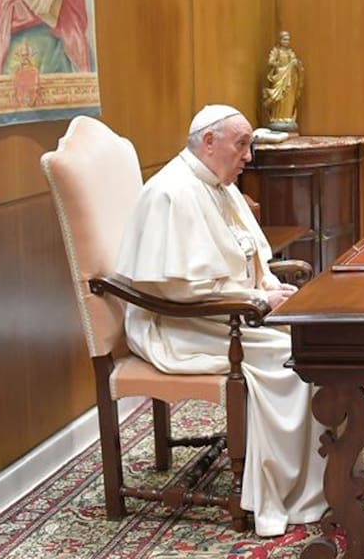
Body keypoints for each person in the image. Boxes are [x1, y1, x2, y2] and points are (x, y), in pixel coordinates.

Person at [113, 105, 326, 537]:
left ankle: (323, 477)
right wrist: (256, 298)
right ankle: (285, 492)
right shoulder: (170, 193)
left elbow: (248, 256)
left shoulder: (219, 184)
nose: (249, 156)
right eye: (241, 144)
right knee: (294, 357)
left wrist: (267, 288)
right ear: (208, 142)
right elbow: (173, 290)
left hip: (227, 313)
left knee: (319, 340)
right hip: (179, 326)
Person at [262, 30, 304, 131]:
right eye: (284, 39)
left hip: (289, 79)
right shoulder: (276, 51)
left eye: (288, 39)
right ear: (280, 40)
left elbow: (295, 64)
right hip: (280, 77)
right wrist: (282, 66)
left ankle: (287, 117)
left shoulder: (290, 52)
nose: (287, 41)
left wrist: (296, 63)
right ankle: (277, 118)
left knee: (288, 97)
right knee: (279, 99)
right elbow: (271, 62)